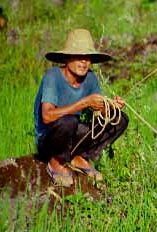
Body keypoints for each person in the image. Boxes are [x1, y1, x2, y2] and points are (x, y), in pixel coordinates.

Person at [34, 29, 129, 187]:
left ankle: (81, 157)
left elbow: (99, 109)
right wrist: (84, 103)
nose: (84, 62)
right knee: (69, 121)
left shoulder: (90, 77)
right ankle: (56, 161)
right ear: (67, 58)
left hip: (72, 135)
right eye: (79, 56)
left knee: (121, 119)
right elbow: (47, 116)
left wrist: (111, 107)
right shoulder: (53, 76)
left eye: (87, 57)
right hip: (49, 139)